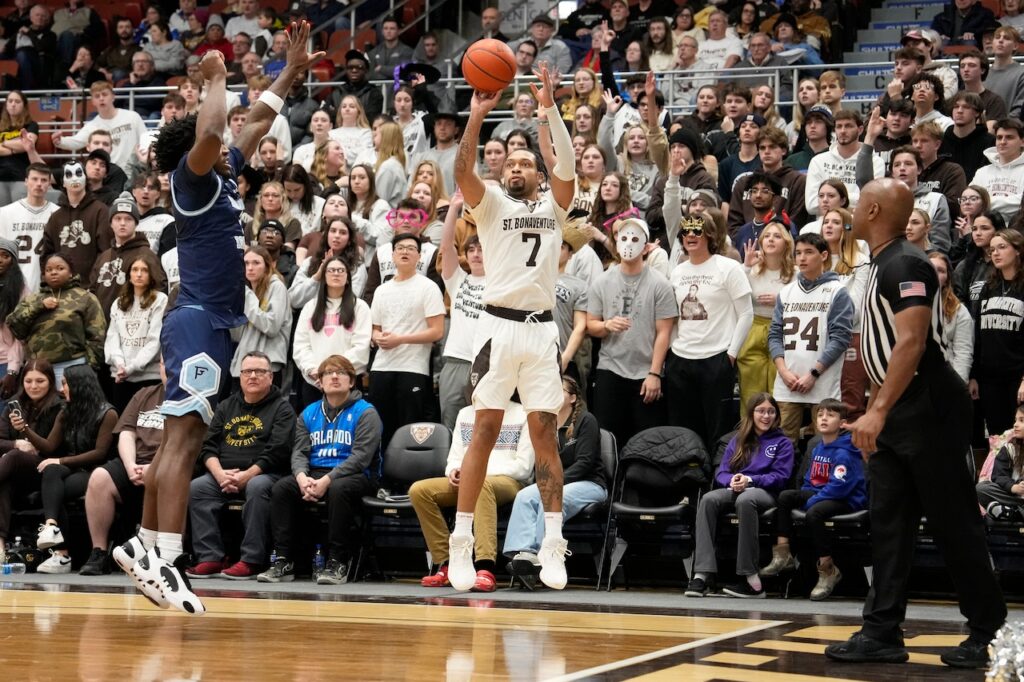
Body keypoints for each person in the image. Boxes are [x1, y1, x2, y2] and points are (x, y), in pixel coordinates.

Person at [110, 22, 324, 615]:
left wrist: (292, 72)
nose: (232, 148)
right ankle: (168, 560)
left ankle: (147, 545)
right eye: (217, 145)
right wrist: (216, 74)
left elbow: (252, 123)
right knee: (183, 441)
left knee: (179, 440)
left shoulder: (220, 175)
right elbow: (212, 126)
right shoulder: (192, 180)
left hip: (200, 321)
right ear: (197, 155)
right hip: (200, 321)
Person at [824, 178, 1006, 669]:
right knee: (888, 523)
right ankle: (882, 629)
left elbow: (911, 342)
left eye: (857, 202)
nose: (850, 209)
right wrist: (869, 408)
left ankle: (989, 631)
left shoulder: (906, 261)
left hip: (928, 404)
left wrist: (878, 410)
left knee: (954, 523)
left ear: (875, 209)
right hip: (895, 404)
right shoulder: (879, 261)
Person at [448, 65, 584, 592]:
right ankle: (462, 544)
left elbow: (568, 165)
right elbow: (462, 172)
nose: (520, 167)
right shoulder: (491, 204)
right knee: (483, 430)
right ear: (504, 172)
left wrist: (549, 107)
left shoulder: (554, 205)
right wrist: (477, 115)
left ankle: (553, 543)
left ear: (539, 174)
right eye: (513, 162)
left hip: (541, 333)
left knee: (544, 435)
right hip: (497, 330)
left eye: (529, 162)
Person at [259, 355, 382, 584]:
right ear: (320, 382)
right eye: (328, 373)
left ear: (352, 381)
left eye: (341, 372)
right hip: (315, 473)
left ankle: (337, 562)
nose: (335, 377)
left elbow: (361, 458)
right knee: (282, 489)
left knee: (339, 489)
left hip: (356, 476)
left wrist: (327, 480)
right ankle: (284, 560)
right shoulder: (309, 413)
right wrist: (301, 477)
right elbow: (299, 452)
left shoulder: (366, 412)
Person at [186, 351, 295, 580]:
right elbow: (208, 447)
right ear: (240, 376)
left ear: (271, 377)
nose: (253, 376)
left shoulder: (282, 409)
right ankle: (210, 558)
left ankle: (251, 560)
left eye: (260, 371)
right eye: (247, 371)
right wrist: (218, 474)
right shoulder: (226, 406)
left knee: (257, 487)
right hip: (223, 474)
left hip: (265, 473)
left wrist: (247, 475)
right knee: (197, 488)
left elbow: (278, 451)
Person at [413, 397, 534, 592]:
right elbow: (454, 458)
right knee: (420, 491)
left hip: (509, 482)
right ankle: (447, 563)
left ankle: (485, 568)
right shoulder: (466, 413)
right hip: (469, 479)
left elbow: (524, 467)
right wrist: (454, 470)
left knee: (482, 484)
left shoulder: (523, 414)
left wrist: (476, 472)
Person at [685, 392, 794, 599]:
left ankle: (751, 580)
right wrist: (732, 481)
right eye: (761, 411)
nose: (766, 416)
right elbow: (722, 472)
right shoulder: (737, 440)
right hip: (736, 488)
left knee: (746, 500)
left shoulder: (783, 443)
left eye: (771, 411)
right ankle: (702, 575)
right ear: (751, 414)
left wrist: (750, 481)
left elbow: (781, 477)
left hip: (765, 493)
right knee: (708, 499)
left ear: (777, 416)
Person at [761, 399, 867, 600]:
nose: (824, 418)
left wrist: (812, 501)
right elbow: (810, 479)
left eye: (830, 415)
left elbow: (840, 487)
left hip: (846, 498)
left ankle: (828, 569)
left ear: (842, 423)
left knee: (814, 512)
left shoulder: (845, 451)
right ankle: (783, 554)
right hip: (822, 493)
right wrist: (808, 495)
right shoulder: (818, 447)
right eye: (820, 415)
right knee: (785, 497)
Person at [503, 375, 605, 583]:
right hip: (556, 484)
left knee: (552, 496)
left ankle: (544, 554)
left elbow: (584, 464)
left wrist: (553, 484)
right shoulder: (545, 422)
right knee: (524, 496)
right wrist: (548, 484)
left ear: (573, 398)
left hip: (590, 483)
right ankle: (523, 555)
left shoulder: (586, 420)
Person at [586, 217, 676, 448]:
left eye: (635, 239)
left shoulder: (660, 284)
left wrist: (655, 374)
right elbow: (590, 325)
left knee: (644, 442)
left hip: (645, 374)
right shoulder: (602, 281)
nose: (628, 243)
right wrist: (606, 325)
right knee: (607, 439)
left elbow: (664, 332)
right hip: (610, 369)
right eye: (624, 238)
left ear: (646, 248)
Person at [665, 212, 753, 450]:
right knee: (682, 428)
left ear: (710, 234)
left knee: (718, 428)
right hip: (681, 358)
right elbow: (672, 317)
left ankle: (717, 479)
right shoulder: (677, 272)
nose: (690, 235)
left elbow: (746, 313)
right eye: (686, 231)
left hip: (717, 357)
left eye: (697, 230)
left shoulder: (729, 267)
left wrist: (732, 353)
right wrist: (672, 349)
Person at [79, 368, 166, 575]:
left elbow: (186, 445)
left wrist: (153, 468)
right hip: (135, 461)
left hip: (170, 464)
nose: (169, 368)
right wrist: (130, 465)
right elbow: (126, 433)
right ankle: (99, 552)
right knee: (100, 477)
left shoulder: (193, 399)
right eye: (164, 362)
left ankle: (160, 556)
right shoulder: (144, 394)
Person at [768, 233, 854, 444]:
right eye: (798, 253)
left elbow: (841, 338)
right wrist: (783, 370)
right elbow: (775, 334)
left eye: (809, 252)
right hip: (787, 383)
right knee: (782, 446)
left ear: (824, 255)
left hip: (823, 382)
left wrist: (814, 373)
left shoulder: (837, 292)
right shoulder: (786, 292)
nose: (802, 258)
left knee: (826, 445)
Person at [34, 365, 117, 574]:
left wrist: (61, 461)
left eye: (65, 384)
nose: (62, 390)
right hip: (73, 466)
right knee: (51, 471)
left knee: (57, 480)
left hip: (97, 471)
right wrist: (24, 430)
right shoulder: (66, 411)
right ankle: (51, 526)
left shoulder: (108, 413)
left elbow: (99, 453)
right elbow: (49, 446)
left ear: (79, 385)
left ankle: (62, 555)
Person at [368, 233, 445, 446]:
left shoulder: (428, 287)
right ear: (392, 254)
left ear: (419, 257)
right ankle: (379, 476)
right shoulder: (382, 290)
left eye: (411, 248)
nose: (405, 251)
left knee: (409, 430)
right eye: (400, 247)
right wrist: (377, 337)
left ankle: (406, 478)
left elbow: (437, 331)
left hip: (413, 368)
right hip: (382, 367)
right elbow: (374, 328)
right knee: (380, 428)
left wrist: (400, 339)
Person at [7, 253, 106, 383]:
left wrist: (89, 367)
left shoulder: (86, 298)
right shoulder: (33, 299)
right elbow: (15, 327)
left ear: (71, 272)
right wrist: (39, 306)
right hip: (37, 369)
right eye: (49, 270)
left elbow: (97, 336)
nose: (54, 272)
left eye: (60, 268)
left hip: (72, 366)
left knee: (70, 403)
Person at [0, 359, 64, 560]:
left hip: (47, 468)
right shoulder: (13, 405)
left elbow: (53, 447)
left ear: (51, 381)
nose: (33, 386)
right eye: (28, 381)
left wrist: (24, 435)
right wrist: (16, 443)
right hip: (12, 469)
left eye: (40, 381)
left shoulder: (60, 406)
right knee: (4, 481)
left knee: (13, 457)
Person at [292, 254, 372, 407]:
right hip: (314, 382)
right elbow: (301, 345)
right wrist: (315, 370)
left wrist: (332, 372)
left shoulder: (360, 307)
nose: (336, 273)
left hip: (348, 383)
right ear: (324, 276)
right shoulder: (310, 307)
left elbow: (361, 347)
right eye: (331, 270)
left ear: (348, 277)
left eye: (341, 270)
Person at [970, 229, 1024, 436]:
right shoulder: (988, 287)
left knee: (1018, 434)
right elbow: (978, 334)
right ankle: (997, 470)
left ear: (1018, 250)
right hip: (989, 377)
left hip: (1016, 376)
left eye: (1002, 247)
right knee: (995, 435)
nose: (996, 253)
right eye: (992, 249)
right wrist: (974, 375)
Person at [438, 192, 485, 430]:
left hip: (487, 363)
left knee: (484, 427)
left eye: (482, 249)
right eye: (472, 249)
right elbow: (446, 248)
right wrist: (454, 210)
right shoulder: (458, 280)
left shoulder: (502, 283)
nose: (476, 254)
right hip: (456, 359)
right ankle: (451, 469)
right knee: (450, 424)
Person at [738, 223, 795, 408]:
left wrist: (781, 300)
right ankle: (749, 430)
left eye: (777, 236)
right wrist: (746, 266)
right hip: (754, 328)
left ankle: (775, 433)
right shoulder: (751, 269)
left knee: (778, 388)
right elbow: (735, 293)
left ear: (786, 243)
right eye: (767, 236)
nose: (771, 239)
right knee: (750, 386)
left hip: (783, 330)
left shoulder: (797, 274)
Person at [104, 253, 166, 414]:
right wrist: (119, 364)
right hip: (120, 375)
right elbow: (112, 338)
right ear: (128, 274)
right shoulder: (119, 302)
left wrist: (131, 368)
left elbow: (155, 340)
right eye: (135, 269)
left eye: (144, 270)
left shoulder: (160, 300)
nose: (139, 274)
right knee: (120, 427)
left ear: (151, 274)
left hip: (147, 376)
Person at [230, 247, 292, 384]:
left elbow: (272, 326)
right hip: (243, 365)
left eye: (256, 263)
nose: (250, 268)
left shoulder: (277, 287)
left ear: (267, 266)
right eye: (246, 263)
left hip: (269, 366)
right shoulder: (247, 292)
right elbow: (237, 335)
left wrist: (246, 297)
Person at [0, 163, 59, 292]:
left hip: (46, 283)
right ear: (26, 181)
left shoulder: (58, 214)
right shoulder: (5, 213)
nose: (39, 184)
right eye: (34, 179)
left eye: (44, 180)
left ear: (49, 184)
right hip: (13, 283)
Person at [930, 251, 974, 382]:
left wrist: (958, 387)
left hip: (945, 379)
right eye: (930, 268)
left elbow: (963, 352)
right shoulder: (907, 303)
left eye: (940, 270)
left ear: (947, 278)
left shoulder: (958, 310)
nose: (934, 274)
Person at [977, 404, 1024, 519]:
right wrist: (1013, 487)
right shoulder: (1009, 448)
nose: (1015, 424)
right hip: (1015, 495)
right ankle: (1014, 511)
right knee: (981, 489)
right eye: (1015, 420)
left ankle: (1012, 513)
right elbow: (999, 476)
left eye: (1021, 420)